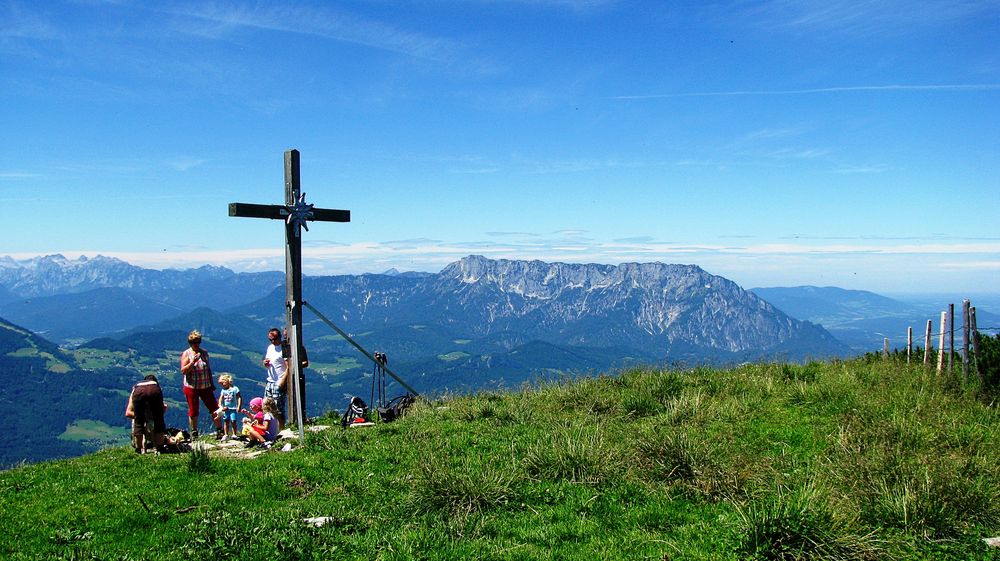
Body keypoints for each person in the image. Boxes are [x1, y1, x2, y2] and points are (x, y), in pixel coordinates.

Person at [180, 330, 224, 440]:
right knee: (194, 410)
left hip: (205, 386)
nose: (196, 344)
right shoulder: (186, 354)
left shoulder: (204, 353)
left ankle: (220, 431)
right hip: (192, 387)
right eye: (194, 342)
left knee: (214, 408)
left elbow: (208, 368)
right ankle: (194, 433)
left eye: (198, 342)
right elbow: (184, 371)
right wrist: (193, 362)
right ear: (190, 343)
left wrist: (212, 383)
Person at [124, 374, 171, 453]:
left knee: (138, 422)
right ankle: (160, 447)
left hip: (139, 392)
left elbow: (128, 413)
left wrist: (141, 417)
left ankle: (138, 449)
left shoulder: (136, 387)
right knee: (158, 419)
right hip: (154, 392)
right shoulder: (155, 386)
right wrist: (159, 413)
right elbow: (161, 409)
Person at [263, 327, 288, 431]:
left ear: (279, 337)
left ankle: (281, 430)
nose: (273, 341)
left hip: (279, 381)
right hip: (270, 380)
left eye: (275, 339)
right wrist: (265, 363)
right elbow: (267, 362)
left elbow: (289, 366)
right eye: (271, 339)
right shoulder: (270, 348)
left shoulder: (284, 348)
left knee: (278, 409)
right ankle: (270, 429)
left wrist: (282, 381)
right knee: (267, 406)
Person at [215, 374, 242, 441]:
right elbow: (221, 398)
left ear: (228, 381)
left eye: (223, 383)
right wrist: (220, 405)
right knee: (226, 421)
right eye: (221, 384)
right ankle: (226, 434)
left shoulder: (235, 389)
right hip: (226, 409)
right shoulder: (223, 390)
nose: (222, 385)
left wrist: (239, 406)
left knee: (233, 421)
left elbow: (239, 397)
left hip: (233, 408)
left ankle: (234, 434)